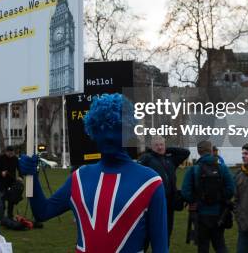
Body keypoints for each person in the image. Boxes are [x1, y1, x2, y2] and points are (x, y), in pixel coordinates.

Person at [19, 93, 168, 252]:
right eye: (102, 128)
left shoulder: (150, 182)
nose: (109, 135)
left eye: (117, 128)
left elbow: (160, 248)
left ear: (129, 131)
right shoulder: (79, 177)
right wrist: (32, 177)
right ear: (92, 131)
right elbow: (43, 211)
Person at [182, 140, 235, 253]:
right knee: (220, 244)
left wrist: (194, 200)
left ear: (198, 151)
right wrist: (220, 198)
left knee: (203, 246)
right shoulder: (222, 168)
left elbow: (185, 192)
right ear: (211, 150)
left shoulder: (193, 169)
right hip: (219, 213)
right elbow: (231, 188)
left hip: (200, 213)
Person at [138, 135, 190, 241]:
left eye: (161, 145)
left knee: (166, 233)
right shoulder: (147, 158)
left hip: (170, 203)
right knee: (149, 233)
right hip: (153, 202)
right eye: (156, 145)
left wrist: (167, 149)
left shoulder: (170, 159)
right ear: (151, 146)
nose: (159, 147)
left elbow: (185, 153)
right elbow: (136, 173)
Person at [0, 145, 20, 222]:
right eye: (9, 153)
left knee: (11, 201)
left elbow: (19, 168)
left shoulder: (15, 159)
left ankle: (10, 216)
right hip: (2, 183)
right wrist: (1, 173)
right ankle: (1, 218)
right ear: (6, 152)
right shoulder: (0, 158)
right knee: (1, 202)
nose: (11, 154)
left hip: (12, 183)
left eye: (12, 153)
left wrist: (20, 177)